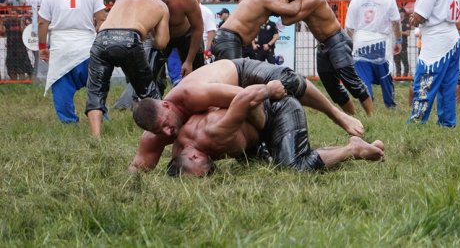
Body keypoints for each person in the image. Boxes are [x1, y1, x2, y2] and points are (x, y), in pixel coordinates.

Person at [129, 57, 364, 172]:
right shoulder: (155, 135)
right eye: (161, 131)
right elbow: (138, 169)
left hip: (239, 77)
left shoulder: (193, 95)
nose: (168, 132)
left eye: (166, 124)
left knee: (285, 81)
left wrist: (265, 130)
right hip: (237, 108)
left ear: (167, 106)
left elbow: (244, 99)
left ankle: (337, 114)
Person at [162, 82, 385, 177]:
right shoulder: (180, 150)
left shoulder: (212, 133)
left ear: (191, 155)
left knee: (294, 168)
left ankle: (353, 149)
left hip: (277, 109)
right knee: (273, 163)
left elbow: (243, 98)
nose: (207, 174)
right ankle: (365, 148)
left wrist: (269, 90)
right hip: (256, 136)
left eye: (200, 173)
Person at [277, 0, 374, 116]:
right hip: (323, 45)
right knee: (332, 87)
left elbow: (287, 19)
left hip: (337, 41)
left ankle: (371, 117)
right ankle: (352, 117)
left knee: (352, 83)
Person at [84, 0, 170, 137]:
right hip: (130, 39)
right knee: (148, 92)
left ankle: (96, 138)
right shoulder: (161, 6)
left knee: (96, 91)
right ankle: (156, 134)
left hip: (102, 39)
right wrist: (149, 32)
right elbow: (162, 43)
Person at [113, 0, 208, 108]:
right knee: (148, 71)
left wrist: (189, 61)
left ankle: (200, 104)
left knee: (198, 74)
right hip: (160, 37)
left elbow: (198, 29)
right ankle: (149, 105)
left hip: (187, 36)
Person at [37, 0, 107, 124]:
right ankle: (101, 118)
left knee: (62, 87)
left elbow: (42, 22)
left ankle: (69, 122)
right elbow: (102, 19)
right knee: (96, 86)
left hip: (61, 46)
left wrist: (42, 47)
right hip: (86, 46)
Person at [407, 0, 460, 127]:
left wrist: (413, 18)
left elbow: (421, 15)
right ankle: (447, 123)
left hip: (436, 39)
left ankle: (416, 123)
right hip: (452, 36)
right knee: (448, 85)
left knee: (424, 82)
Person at [344, 0, 402, 109]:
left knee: (364, 79)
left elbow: (349, 28)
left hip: (361, 41)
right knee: (385, 77)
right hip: (381, 42)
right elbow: (396, 22)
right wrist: (399, 40)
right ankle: (390, 105)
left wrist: (355, 40)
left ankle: (369, 107)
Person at [210, 0, 303, 60]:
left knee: (224, 77)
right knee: (233, 77)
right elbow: (293, 10)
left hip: (226, 39)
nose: (278, 2)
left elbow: (286, 19)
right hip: (229, 40)